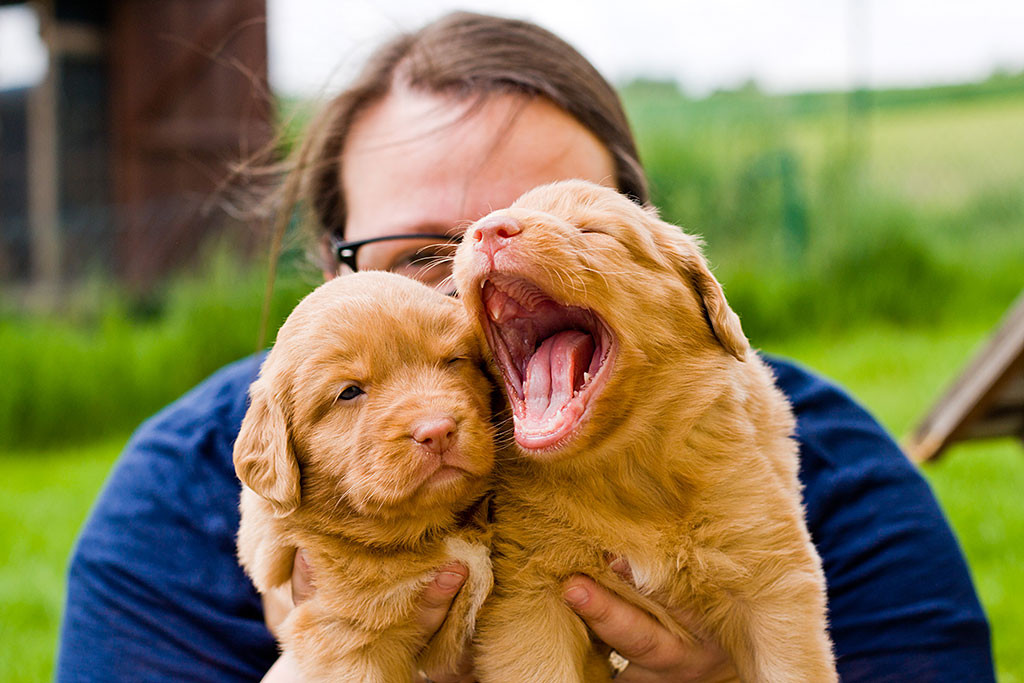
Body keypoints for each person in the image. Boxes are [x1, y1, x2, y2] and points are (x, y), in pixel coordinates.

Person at [57, 12, 995, 683]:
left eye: (567, 229)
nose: (488, 283)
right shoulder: (176, 506)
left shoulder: (831, 471)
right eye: (425, 254)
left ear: (657, 250)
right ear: (328, 272)